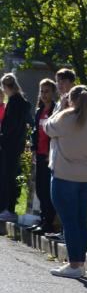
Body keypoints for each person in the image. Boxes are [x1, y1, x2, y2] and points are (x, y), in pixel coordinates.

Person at [42, 85, 87, 278]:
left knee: (68, 222)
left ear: (70, 99)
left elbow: (47, 127)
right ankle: (80, 262)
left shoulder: (64, 117)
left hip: (65, 175)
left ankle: (74, 264)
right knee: (80, 220)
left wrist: (60, 108)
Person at [0, 73, 31, 221]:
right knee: (10, 176)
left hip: (10, 145)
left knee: (9, 177)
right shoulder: (21, 101)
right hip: (17, 144)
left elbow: (10, 127)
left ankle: (10, 209)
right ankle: (9, 208)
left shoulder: (13, 102)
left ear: (6, 87)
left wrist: (2, 138)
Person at [29, 79, 58, 234]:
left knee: (47, 190)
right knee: (39, 189)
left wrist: (49, 152)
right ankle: (42, 219)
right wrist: (33, 149)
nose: (44, 94)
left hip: (49, 156)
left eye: (47, 91)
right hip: (39, 154)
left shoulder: (55, 111)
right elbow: (36, 132)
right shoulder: (39, 111)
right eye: (42, 91)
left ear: (53, 93)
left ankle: (49, 222)